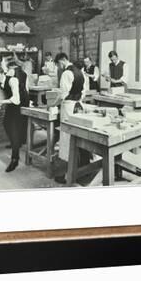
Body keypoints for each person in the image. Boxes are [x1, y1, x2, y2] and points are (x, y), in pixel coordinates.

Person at [52, 52, 89, 183]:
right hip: (78, 105)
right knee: (78, 136)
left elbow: (63, 95)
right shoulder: (80, 72)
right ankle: (84, 167)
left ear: (61, 61)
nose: (59, 67)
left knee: (66, 139)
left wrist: (52, 104)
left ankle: (65, 174)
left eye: (58, 64)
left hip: (67, 107)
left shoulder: (66, 74)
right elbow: (84, 92)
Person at [0, 65, 28, 172]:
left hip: (22, 102)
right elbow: (2, 98)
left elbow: (16, 99)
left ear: (3, 73)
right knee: (6, 123)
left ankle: (15, 159)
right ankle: (16, 142)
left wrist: (1, 102)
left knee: (14, 129)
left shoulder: (12, 80)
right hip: (12, 103)